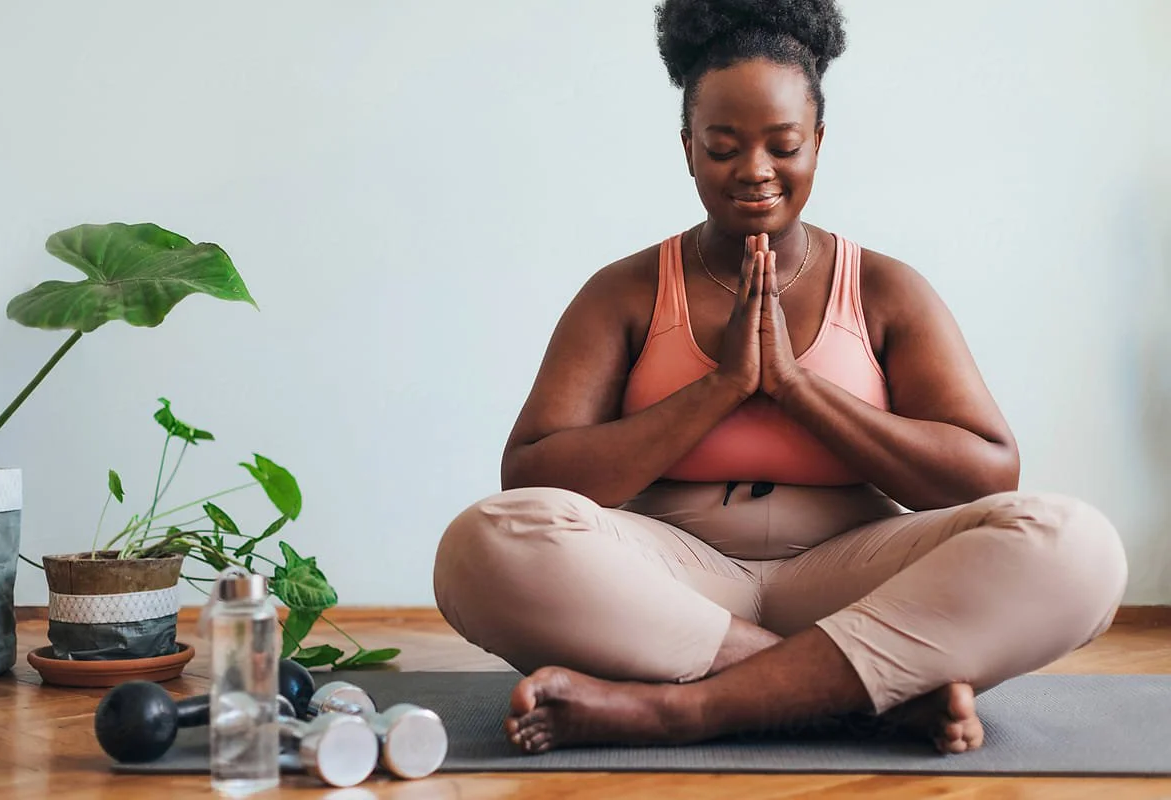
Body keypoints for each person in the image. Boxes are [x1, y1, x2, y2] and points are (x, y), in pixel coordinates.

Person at [432, 0, 1127, 756]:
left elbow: (987, 473)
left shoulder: (884, 289)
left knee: (1075, 546)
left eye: (782, 145)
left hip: (855, 577)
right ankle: (859, 698)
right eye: (723, 146)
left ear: (819, 143)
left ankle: (677, 710)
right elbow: (531, 473)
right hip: (672, 582)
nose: (754, 171)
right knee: (482, 545)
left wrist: (798, 389)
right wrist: (720, 387)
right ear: (688, 148)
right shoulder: (625, 291)